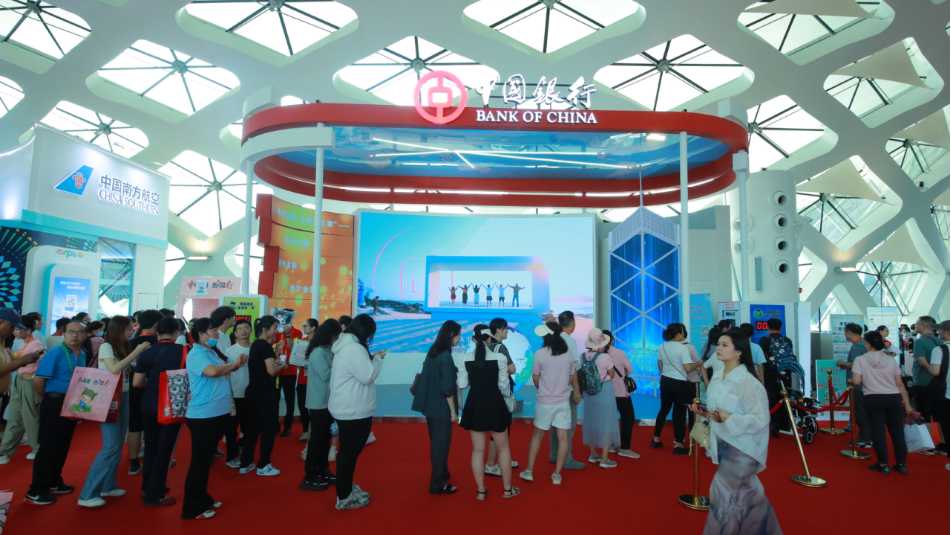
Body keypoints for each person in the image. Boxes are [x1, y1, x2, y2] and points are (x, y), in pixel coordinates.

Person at [691, 329, 781, 534]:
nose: (718, 348)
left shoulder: (749, 383)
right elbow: (717, 411)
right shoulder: (717, 377)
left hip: (742, 449)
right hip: (723, 443)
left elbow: (761, 419)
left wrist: (729, 418)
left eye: (725, 345)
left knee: (722, 496)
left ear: (739, 351)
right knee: (750, 500)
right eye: (718, 344)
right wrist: (704, 412)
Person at [77, 316, 151, 508]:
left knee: (117, 444)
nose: (132, 331)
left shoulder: (121, 346)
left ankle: (107, 485)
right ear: (119, 329)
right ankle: (87, 494)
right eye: (128, 329)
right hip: (109, 397)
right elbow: (114, 369)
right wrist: (137, 351)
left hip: (123, 395)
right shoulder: (106, 346)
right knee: (110, 446)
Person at [182, 318, 246, 520]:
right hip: (203, 415)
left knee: (205, 461)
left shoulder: (211, 351)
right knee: (199, 463)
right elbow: (212, 372)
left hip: (217, 412)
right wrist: (234, 365)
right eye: (213, 330)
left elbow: (222, 371)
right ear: (201, 334)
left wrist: (234, 366)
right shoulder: (196, 354)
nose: (217, 333)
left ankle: (203, 498)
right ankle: (192, 508)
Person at [26, 319, 87, 505]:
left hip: (72, 403)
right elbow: (39, 381)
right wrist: (48, 399)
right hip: (54, 402)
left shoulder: (82, 354)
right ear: (64, 333)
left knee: (63, 445)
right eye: (71, 331)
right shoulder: (56, 352)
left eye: (79, 332)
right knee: (48, 446)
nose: (75, 335)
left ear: (85, 335)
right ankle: (36, 490)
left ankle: (53, 481)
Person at [329, 314, 384, 510]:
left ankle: (345, 488)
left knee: (348, 452)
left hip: (348, 407)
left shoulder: (347, 345)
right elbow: (367, 376)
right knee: (349, 453)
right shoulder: (354, 348)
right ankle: (344, 496)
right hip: (353, 409)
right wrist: (378, 359)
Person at [459, 324, 518, 500]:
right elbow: (504, 387)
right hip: (495, 405)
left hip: (474, 405)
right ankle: (507, 490)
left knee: (477, 450)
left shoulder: (465, 358)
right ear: (489, 339)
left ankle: (481, 492)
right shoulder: (499, 358)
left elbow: (462, 384)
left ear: (473, 339)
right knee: (503, 449)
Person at [133, 317, 186, 507]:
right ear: (176, 332)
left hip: (149, 403)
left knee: (151, 447)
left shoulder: (147, 353)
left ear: (157, 332)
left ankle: (147, 486)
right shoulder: (184, 351)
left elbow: (137, 383)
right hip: (172, 404)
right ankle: (155, 493)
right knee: (164, 450)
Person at [520, 321, 580, 485]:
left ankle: (529, 471)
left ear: (546, 336)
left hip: (545, 401)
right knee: (563, 438)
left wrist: (543, 388)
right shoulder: (568, 354)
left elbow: (535, 377)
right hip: (563, 401)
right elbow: (571, 377)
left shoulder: (540, 354)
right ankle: (557, 474)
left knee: (537, 436)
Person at [852, 330, 914, 474]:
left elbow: (857, 381)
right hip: (893, 398)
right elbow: (899, 384)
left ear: (867, 344)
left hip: (873, 398)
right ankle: (901, 464)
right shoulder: (891, 359)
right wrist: (908, 405)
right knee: (897, 432)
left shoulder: (860, 360)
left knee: (878, 432)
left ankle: (883, 464)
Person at [411, 320, 460, 494]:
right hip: (441, 408)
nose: (459, 338)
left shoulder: (433, 351)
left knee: (437, 443)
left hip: (430, 406)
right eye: (458, 335)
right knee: (440, 446)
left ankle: (443, 474)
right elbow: (447, 389)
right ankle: (438, 483)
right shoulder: (445, 356)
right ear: (452, 335)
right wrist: (453, 412)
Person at [241, 316, 286, 477]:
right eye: (274, 328)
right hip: (265, 395)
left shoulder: (256, 344)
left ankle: (246, 463)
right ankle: (264, 464)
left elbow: (264, 367)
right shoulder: (265, 346)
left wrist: (276, 356)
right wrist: (282, 365)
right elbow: (271, 371)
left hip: (253, 392)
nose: (276, 331)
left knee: (252, 430)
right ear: (265, 329)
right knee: (268, 430)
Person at [300, 319, 341, 491]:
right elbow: (326, 375)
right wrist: (341, 365)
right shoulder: (318, 352)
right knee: (316, 441)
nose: (337, 339)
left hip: (327, 402)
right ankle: (310, 475)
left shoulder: (327, 350)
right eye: (336, 335)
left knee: (324, 440)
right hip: (318, 403)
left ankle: (323, 470)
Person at [652, 323, 703, 454]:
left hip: (665, 381)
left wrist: (666, 373)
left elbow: (660, 364)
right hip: (680, 383)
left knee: (663, 409)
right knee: (679, 413)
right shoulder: (683, 348)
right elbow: (688, 368)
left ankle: (656, 439)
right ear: (679, 334)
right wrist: (698, 363)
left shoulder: (662, 346)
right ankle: (678, 444)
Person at [0, 316, 45, 464]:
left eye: (19, 329)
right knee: (14, 416)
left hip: (29, 382)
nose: (15, 332)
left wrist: (14, 358)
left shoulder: (36, 344)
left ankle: (37, 448)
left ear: (29, 330)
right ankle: (5, 451)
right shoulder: (23, 343)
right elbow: (17, 359)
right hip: (19, 381)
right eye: (15, 329)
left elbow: (22, 361)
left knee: (30, 417)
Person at [127, 309, 162, 475]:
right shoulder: (159, 343)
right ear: (157, 324)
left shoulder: (131, 342)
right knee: (154, 424)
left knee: (134, 424)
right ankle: (153, 458)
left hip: (134, 386)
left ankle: (133, 462)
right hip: (155, 388)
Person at [580, 329, 620, 468]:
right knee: (606, 423)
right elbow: (612, 374)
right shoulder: (605, 357)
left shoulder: (582, 356)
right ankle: (604, 459)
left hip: (588, 394)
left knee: (591, 421)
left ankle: (593, 454)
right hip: (604, 392)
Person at [549, 310, 584, 469]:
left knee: (554, 424)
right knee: (568, 425)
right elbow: (573, 368)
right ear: (572, 323)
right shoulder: (570, 341)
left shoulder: (553, 339)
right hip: (566, 388)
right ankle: (566, 459)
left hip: (552, 388)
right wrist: (576, 390)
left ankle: (554, 454)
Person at [485, 317, 518, 476]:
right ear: (498, 330)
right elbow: (512, 369)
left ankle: (502, 459)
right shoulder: (500, 347)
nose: (507, 332)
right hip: (502, 391)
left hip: (490, 390)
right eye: (505, 329)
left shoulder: (485, 346)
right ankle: (491, 464)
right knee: (501, 428)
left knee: (497, 428)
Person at [603, 329, 639, 459]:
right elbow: (629, 369)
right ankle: (625, 448)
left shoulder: (596, 355)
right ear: (612, 340)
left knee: (609, 419)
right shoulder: (619, 353)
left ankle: (611, 445)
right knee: (628, 418)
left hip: (604, 392)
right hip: (620, 392)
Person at [838, 323, 872, 447]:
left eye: (845, 332)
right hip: (865, 384)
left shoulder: (858, 346)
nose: (845, 335)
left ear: (849, 332)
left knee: (860, 413)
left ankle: (865, 439)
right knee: (864, 412)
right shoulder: (863, 344)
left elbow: (856, 364)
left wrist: (843, 363)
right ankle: (867, 437)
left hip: (858, 384)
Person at [224, 320, 252, 468]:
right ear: (235, 333)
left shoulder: (255, 349)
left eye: (246, 328)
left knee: (249, 428)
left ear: (251, 330)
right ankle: (232, 456)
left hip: (251, 395)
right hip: (234, 394)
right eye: (240, 329)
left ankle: (246, 455)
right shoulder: (229, 351)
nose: (243, 331)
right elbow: (225, 374)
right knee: (231, 429)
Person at [290, 319, 317, 441]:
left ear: (313, 328)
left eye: (305, 326)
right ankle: (306, 430)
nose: (303, 328)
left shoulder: (319, 342)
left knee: (315, 407)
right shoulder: (302, 341)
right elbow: (296, 359)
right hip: (302, 379)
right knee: (302, 405)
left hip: (314, 380)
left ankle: (315, 431)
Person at [911, 316, 940, 420]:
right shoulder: (939, 341)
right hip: (937, 382)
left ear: (923, 325)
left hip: (922, 381)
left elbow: (921, 360)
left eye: (917, 323)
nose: (915, 325)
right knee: (934, 412)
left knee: (922, 413)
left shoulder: (920, 341)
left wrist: (931, 369)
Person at [275, 320, 300, 437]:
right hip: (277, 372)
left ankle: (288, 427)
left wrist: (288, 338)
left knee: (290, 400)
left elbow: (295, 348)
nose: (285, 325)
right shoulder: (277, 333)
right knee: (274, 399)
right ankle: (275, 426)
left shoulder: (297, 332)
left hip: (290, 372)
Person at [935, 321, 950, 456]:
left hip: (946, 392)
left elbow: (935, 371)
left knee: (946, 422)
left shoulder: (940, 349)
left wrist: (923, 363)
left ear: (945, 331)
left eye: (939, 330)